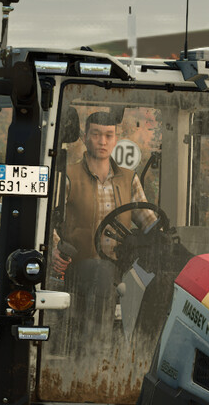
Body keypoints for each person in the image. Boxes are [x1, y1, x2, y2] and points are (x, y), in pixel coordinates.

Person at [50, 108, 154, 279]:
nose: (102, 142)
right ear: (85, 138)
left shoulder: (129, 180)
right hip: (76, 274)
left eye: (108, 136)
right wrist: (55, 249)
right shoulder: (67, 177)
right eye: (96, 134)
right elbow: (47, 222)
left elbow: (149, 223)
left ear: (115, 141)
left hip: (120, 274)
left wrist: (160, 239)